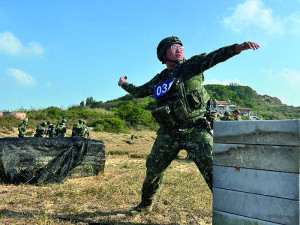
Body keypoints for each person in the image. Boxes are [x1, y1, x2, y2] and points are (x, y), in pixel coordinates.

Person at [118, 36, 259, 213]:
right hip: (168, 133)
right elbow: (139, 91)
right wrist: (123, 84)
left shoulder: (191, 66)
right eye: (173, 47)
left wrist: (238, 48)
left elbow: (213, 57)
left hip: (196, 129)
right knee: (153, 170)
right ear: (163, 55)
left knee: (214, 171)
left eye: (180, 47)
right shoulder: (160, 79)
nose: (179, 50)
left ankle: (231, 212)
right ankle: (145, 205)